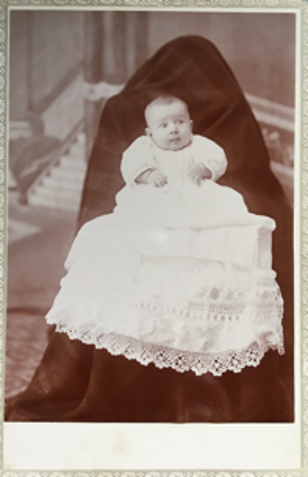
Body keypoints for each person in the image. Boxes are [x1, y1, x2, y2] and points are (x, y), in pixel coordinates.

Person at [6, 36, 293, 422]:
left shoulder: (201, 145)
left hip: (198, 203)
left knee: (223, 227)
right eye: (164, 125)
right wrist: (146, 173)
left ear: (191, 124)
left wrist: (204, 168)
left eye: (180, 123)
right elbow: (129, 165)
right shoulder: (145, 150)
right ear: (149, 131)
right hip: (157, 206)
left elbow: (217, 158)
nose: (173, 131)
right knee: (126, 238)